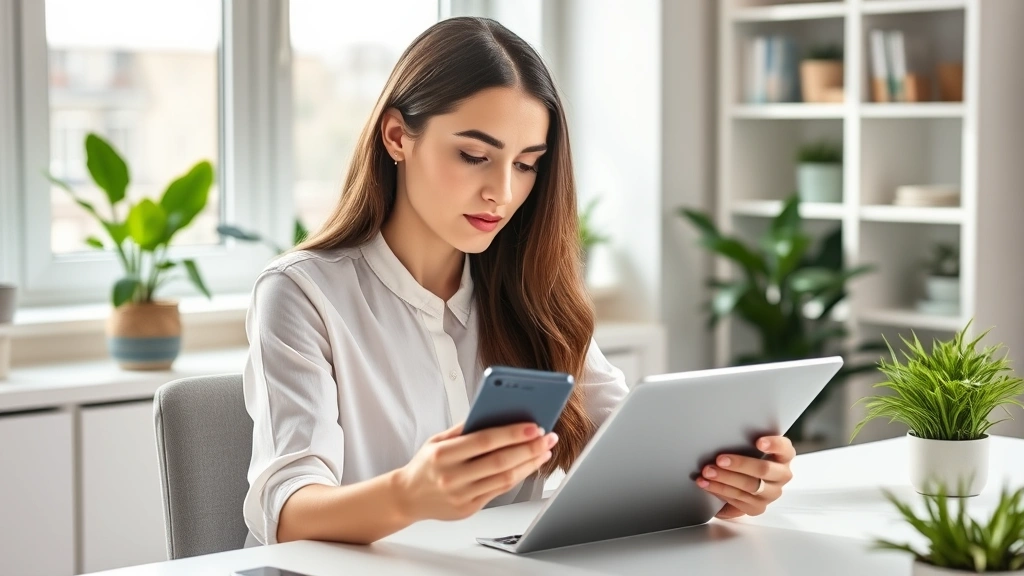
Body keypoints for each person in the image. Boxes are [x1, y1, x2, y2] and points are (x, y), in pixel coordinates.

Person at [242, 16, 795, 547]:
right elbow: (287, 513)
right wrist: (409, 494)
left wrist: (722, 484)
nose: (502, 193)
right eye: (474, 155)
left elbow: (628, 451)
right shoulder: (301, 292)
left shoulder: (533, 291)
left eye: (527, 164)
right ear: (396, 136)